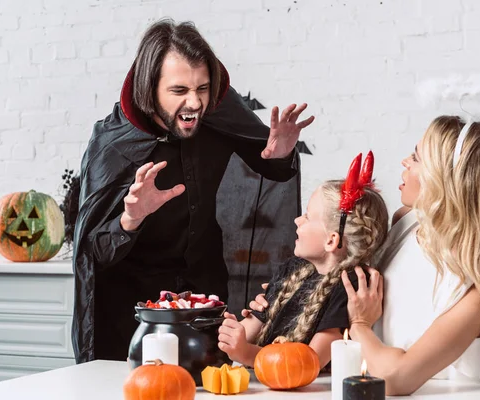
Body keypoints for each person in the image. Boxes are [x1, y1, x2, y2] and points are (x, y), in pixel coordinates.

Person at [71, 18, 315, 363]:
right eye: (179, 91)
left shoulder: (219, 110)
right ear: (149, 88)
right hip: (134, 312)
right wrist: (131, 217)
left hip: (206, 292)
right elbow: (94, 253)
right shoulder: (112, 146)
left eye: (202, 88)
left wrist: (279, 155)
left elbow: (265, 160)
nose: (196, 103)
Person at [340, 116, 480, 395]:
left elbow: (396, 378)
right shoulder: (407, 223)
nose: (404, 161)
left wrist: (359, 324)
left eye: (416, 157)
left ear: (444, 178)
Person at [217, 152, 389, 369]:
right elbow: (249, 329)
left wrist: (247, 353)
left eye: (307, 216)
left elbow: (311, 363)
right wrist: (232, 334)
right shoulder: (292, 269)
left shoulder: (349, 286)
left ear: (331, 240)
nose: (298, 220)